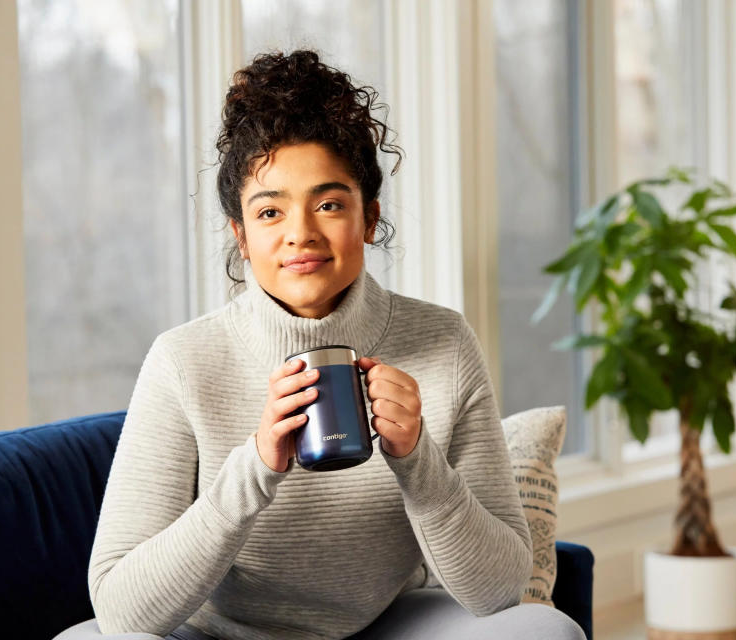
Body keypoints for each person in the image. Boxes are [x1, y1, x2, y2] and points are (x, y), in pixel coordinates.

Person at [55, 49, 585, 640]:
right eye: (270, 211)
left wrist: (419, 463)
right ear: (242, 235)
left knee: (545, 630)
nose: (300, 234)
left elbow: (501, 591)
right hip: (218, 635)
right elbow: (120, 610)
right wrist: (255, 466)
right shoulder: (183, 361)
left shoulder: (444, 342)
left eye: (329, 204)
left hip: (380, 625)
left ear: (369, 217)